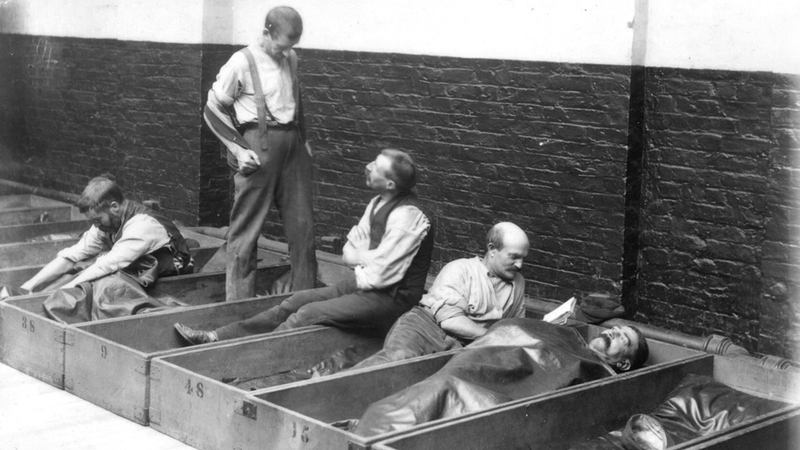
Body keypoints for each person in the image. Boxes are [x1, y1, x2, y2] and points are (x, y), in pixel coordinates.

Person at [174, 148, 434, 344]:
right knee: (295, 301)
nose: (368, 166)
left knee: (307, 313)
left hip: (392, 299)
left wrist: (360, 258)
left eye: (376, 166)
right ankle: (216, 337)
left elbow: (379, 275)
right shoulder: (377, 202)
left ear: (390, 184)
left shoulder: (408, 217)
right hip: (364, 284)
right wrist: (367, 258)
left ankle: (241, 357)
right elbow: (348, 252)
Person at [352, 318, 650, 436]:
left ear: (624, 364)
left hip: (492, 390)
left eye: (622, 338)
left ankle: (379, 430)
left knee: (448, 389)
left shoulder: (600, 374)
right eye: (614, 329)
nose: (612, 332)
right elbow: (512, 331)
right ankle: (380, 427)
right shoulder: (570, 336)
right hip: (480, 363)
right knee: (445, 381)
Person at [203, 6, 317, 300]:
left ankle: (305, 302)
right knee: (246, 229)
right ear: (266, 33)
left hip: (292, 147)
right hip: (257, 145)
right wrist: (238, 149)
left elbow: (295, 97)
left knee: (303, 228)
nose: (286, 53)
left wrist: (303, 140)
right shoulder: (241, 62)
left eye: (291, 47)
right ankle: (238, 304)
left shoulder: (291, 57)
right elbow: (212, 109)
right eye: (281, 46)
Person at [343, 222, 529, 372]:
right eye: (514, 257)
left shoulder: (518, 283)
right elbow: (451, 321)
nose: (519, 265)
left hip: (462, 344)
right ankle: (331, 390)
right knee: (396, 360)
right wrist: (495, 338)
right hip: (424, 328)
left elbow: (514, 326)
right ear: (492, 249)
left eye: (523, 258)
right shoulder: (461, 269)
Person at [21, 175, 193, 322]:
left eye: (97, 220)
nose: (95, 225)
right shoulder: (107, 220)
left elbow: (106, 265)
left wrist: (64, 291)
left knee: (102, 286)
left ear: (114, 207)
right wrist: (28, 285)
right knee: (80, 268)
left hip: (166, 272)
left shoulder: (142, 225)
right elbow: (73, 255)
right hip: (135, 267)